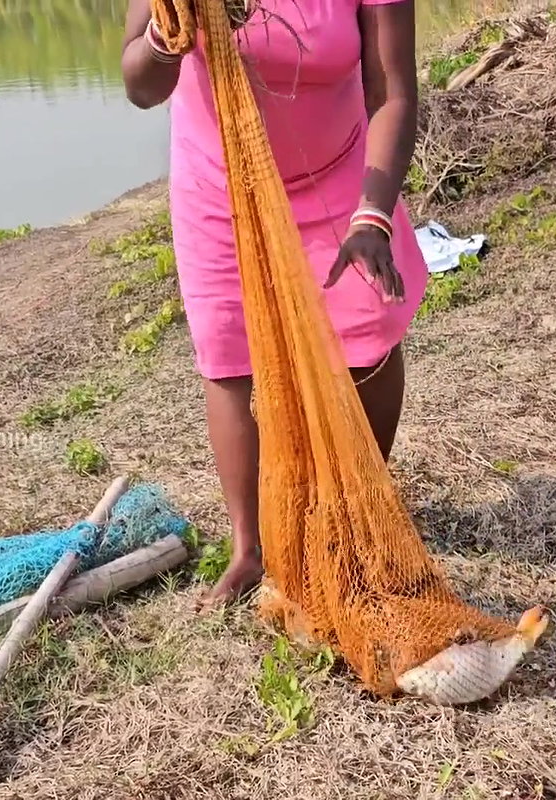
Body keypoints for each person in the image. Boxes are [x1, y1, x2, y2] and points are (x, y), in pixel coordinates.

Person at [119, 0, 428, 608]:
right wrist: (167, 32)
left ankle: (358, 508)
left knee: (368, 324)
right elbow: (139, 86)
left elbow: (392, 92)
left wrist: (374, 213)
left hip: (339, 172)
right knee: (230, 353)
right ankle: (250, 549)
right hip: (222, 179)